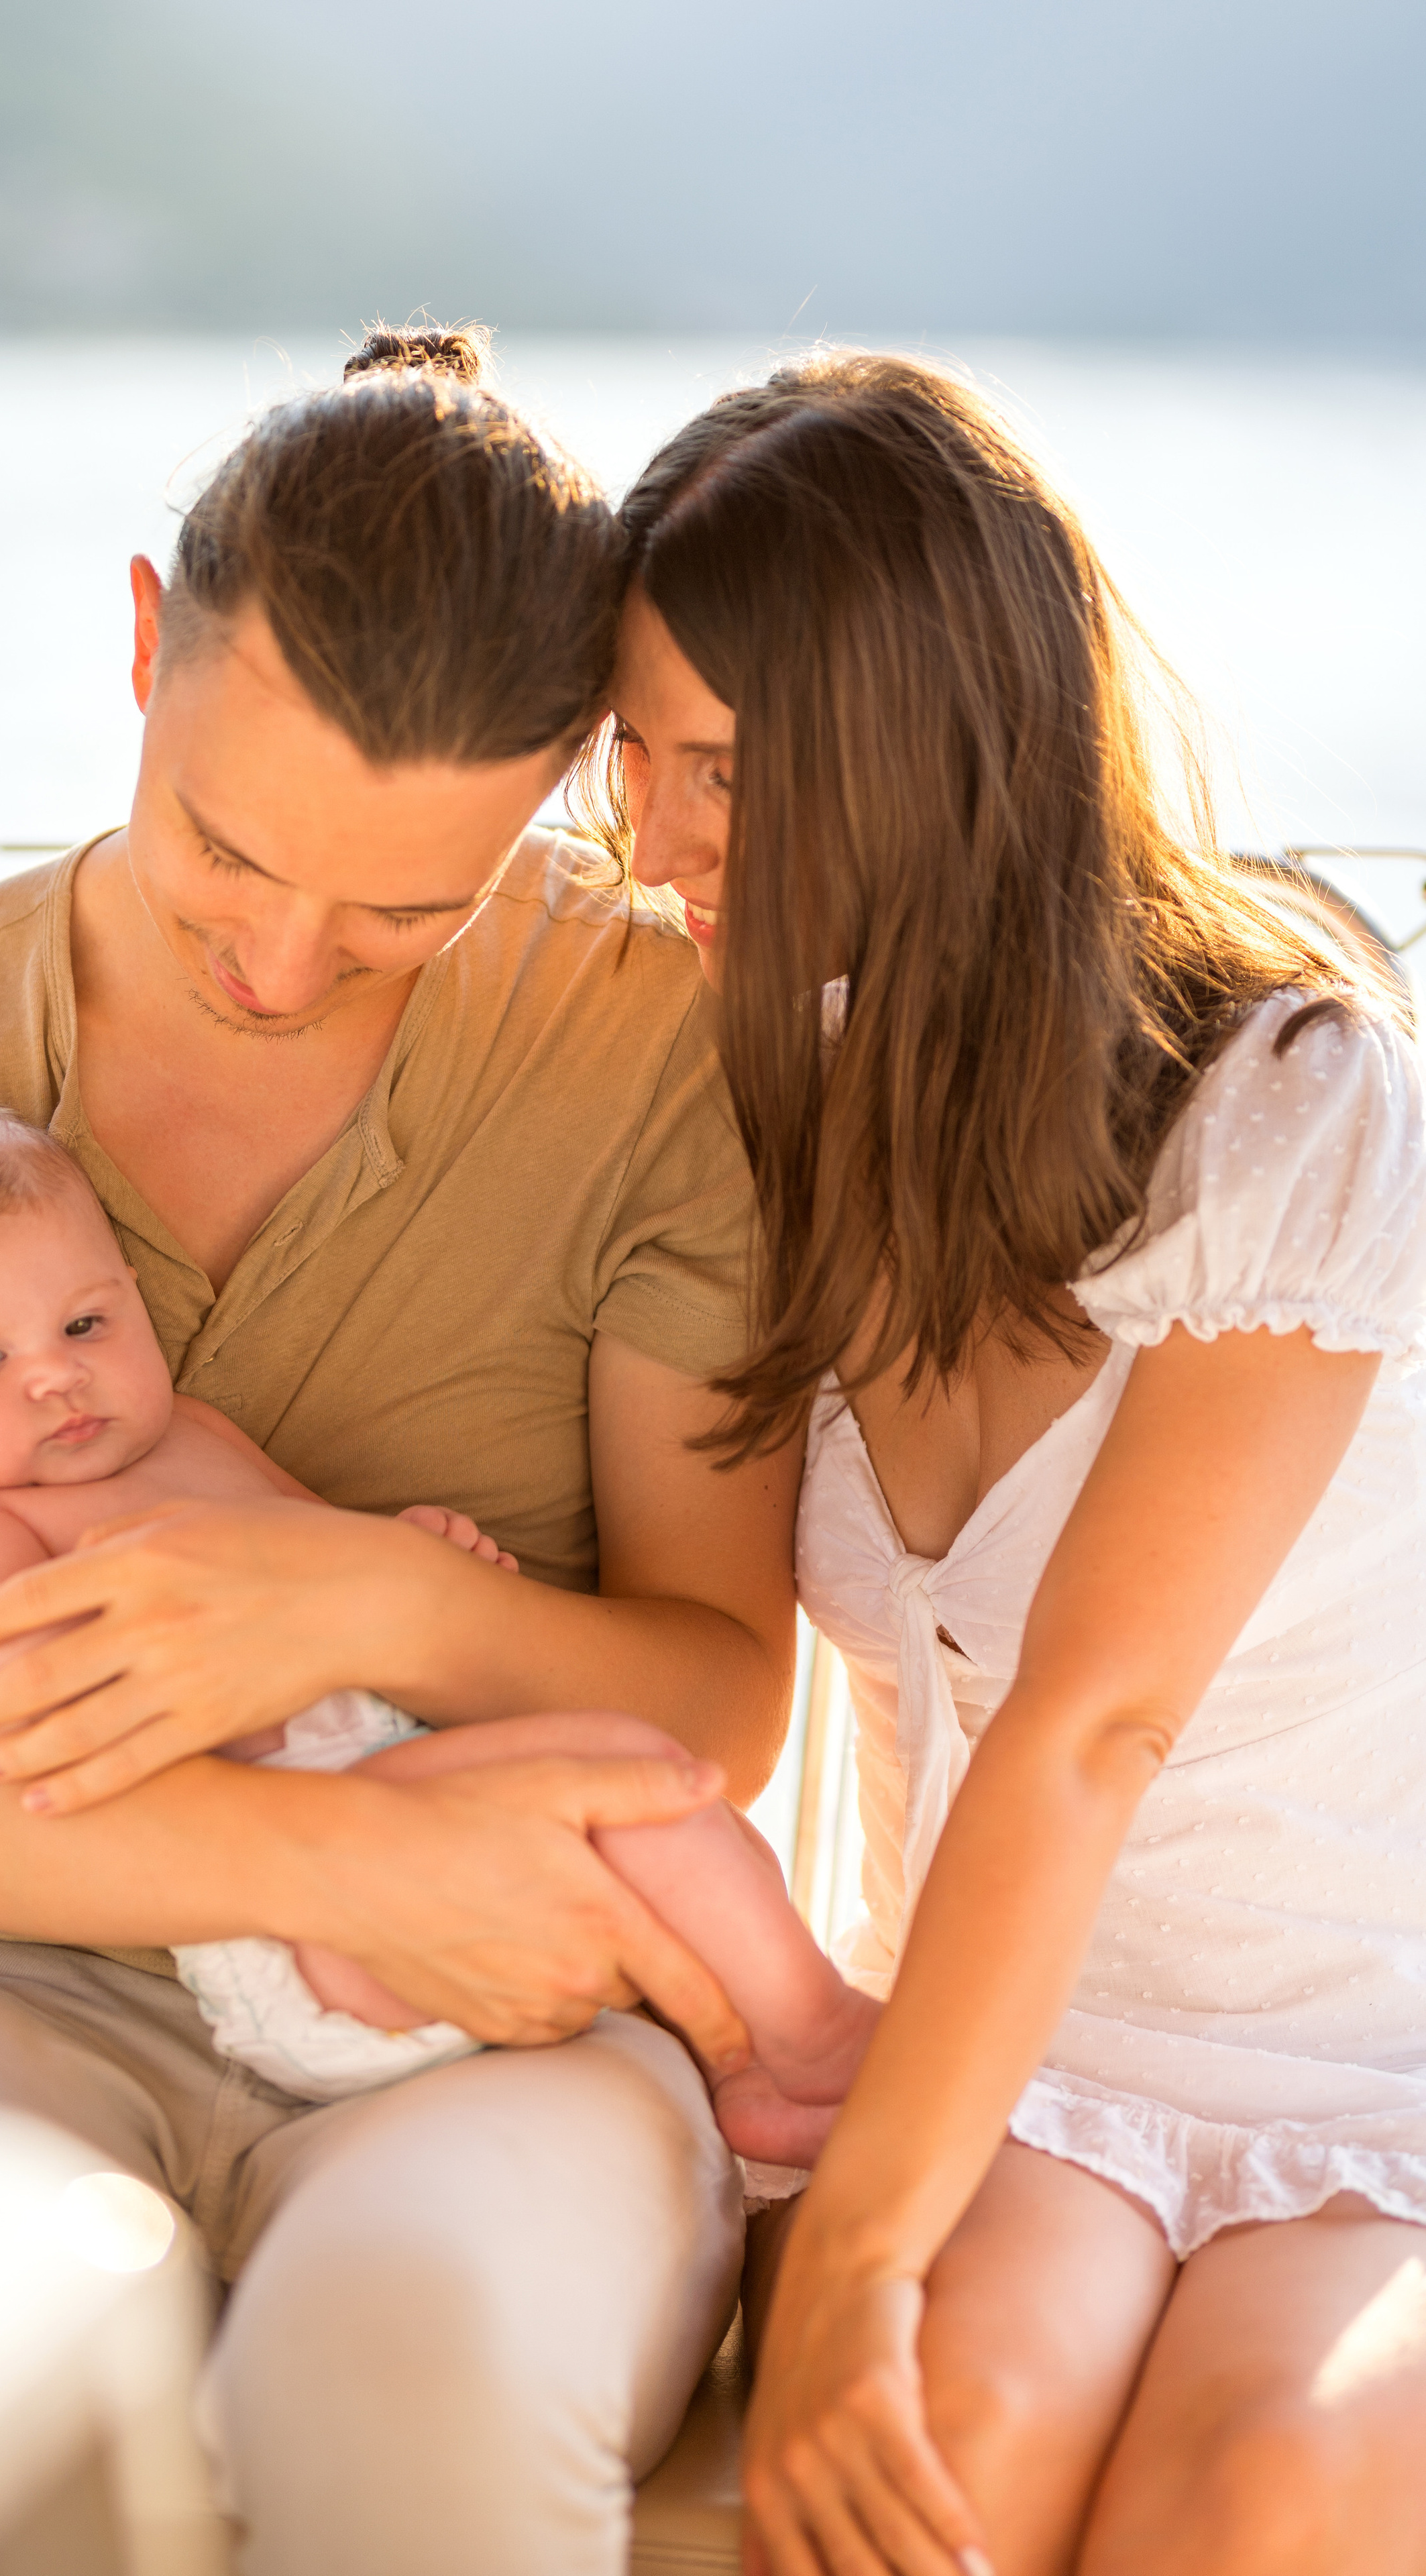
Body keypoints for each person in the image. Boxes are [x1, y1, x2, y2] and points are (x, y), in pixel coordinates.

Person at [0, 327, 801, 2576]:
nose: (287, 963)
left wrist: (371, 1602)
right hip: (9, 1958)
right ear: (145, 644)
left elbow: (718, 1693)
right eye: (228, 849)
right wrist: (320, 1862)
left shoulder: (649, 1051)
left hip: (505, 2005)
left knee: (403, 2363)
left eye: (409, 907)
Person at [592, 349, 1426, 2575]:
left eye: (722, 772)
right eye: (632, 761)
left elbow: (1087, 1726)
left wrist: (859, 2255)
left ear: (927, 745)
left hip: (1368, 2076)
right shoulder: (764, 1099)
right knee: (938, 2455)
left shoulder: (1293, 1102)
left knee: (1261, 2497)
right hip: (1002, 2067)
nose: (654, 845)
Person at [0, 1102, 877, 2149]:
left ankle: (777, 2049)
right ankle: (811, 2042)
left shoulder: (195, 1437)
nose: (54, 1374)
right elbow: (34, 1706)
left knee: (651, 1777)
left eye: (85, 1324)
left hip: (401, 1776)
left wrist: (418, 1552)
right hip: (274, 1913)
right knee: (616, 1787)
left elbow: (326, 1554)